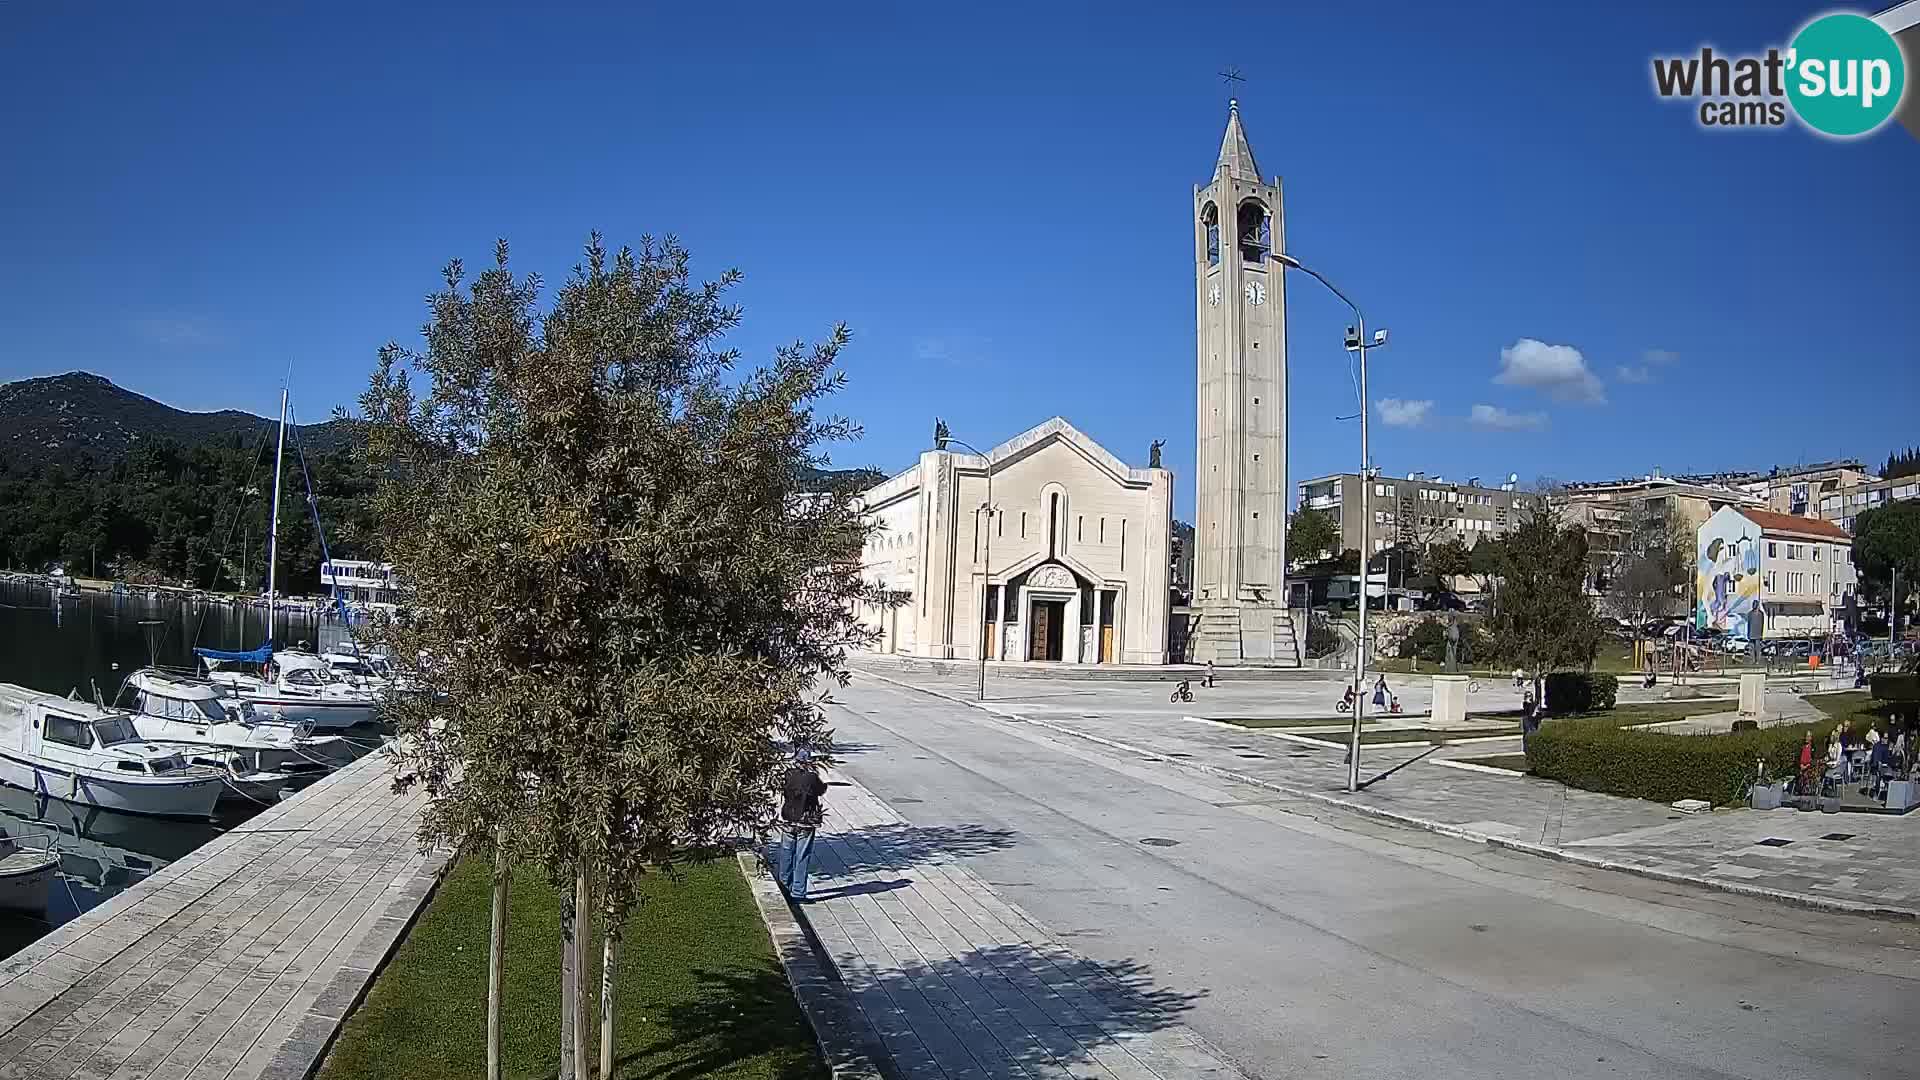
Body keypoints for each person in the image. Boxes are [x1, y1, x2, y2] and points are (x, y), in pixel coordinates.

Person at [776, 748, 828, 901]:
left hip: (788, 819)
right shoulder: (811, 777)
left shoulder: (788, 774)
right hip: (805, 821)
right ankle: (798, 892)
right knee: (802, 856)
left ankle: (784, 887)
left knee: (786, 853)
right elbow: (821, 789)